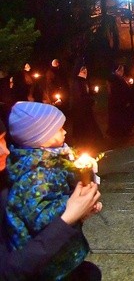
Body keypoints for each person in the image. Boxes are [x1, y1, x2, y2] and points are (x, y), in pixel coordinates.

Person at [4, 102, 103, 279]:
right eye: (58, 129)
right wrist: (73, 207)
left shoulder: (51, 158)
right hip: (49, 265)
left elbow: (61, 188)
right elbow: (41, 218)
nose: (65, 131)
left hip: (60, 252)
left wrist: (84, 203)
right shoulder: (34, 176)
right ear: (39, 138)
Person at [69, 65, 102, 148]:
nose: (85, 73)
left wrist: (93, 92)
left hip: (85, 107)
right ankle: (83, 139)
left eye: (86, 71)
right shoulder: (77, 82)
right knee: (83, 123)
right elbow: (80, 96)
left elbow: (86, 93)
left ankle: (89, 138)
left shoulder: (83, 81)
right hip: (80, 108)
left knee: (88, 123)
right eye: (83, 72)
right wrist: (91, 101)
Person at [107, 64, 134, 137]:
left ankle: (124, 131)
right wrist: (125, 101)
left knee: (124, 117)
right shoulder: (115, 80)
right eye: (119, 70)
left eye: (122, 70)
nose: (121, 71)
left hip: (123, 102)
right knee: (120, 118)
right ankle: (120, 132)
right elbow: (118, 92)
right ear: (116, 71)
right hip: (119, 103)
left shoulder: (121, 78)